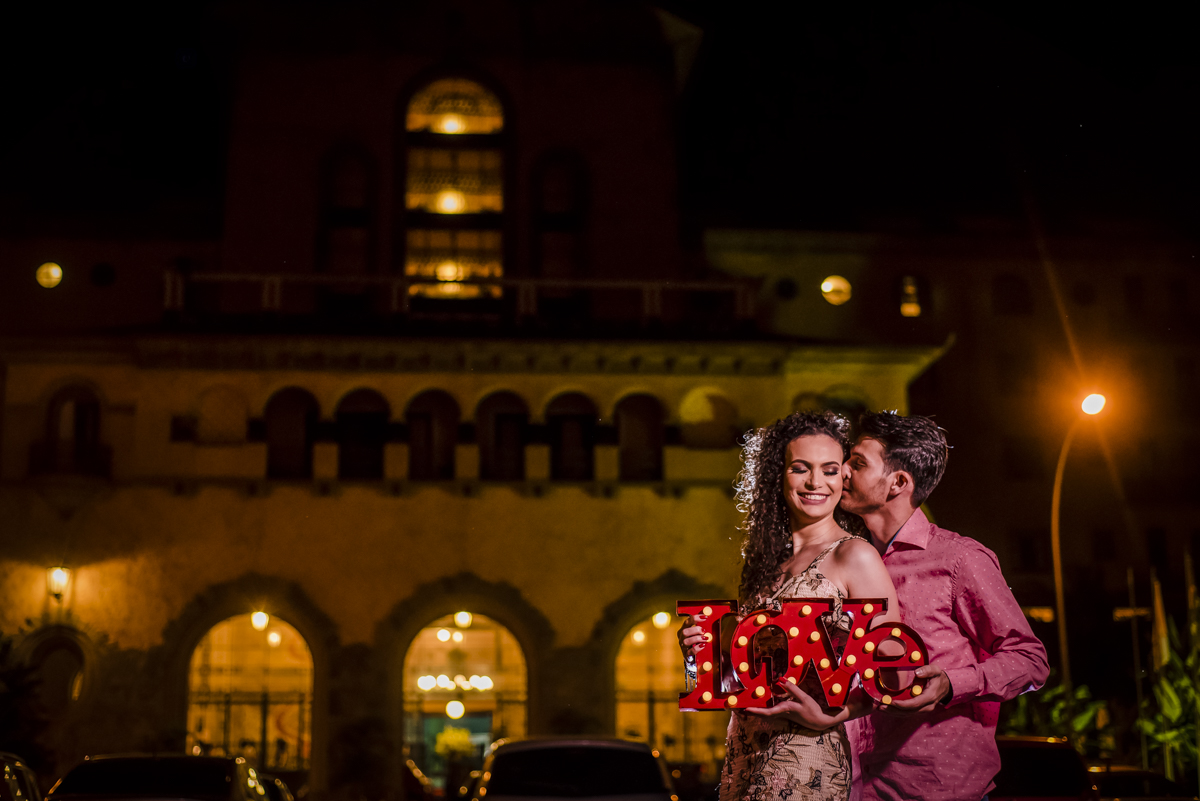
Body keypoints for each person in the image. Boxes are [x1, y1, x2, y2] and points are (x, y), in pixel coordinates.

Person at [775, 411, 1050, 801]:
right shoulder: (841, 559)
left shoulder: (958, 559)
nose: (843, 471)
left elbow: (1030, 659)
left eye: (858, 463)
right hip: (854, 786)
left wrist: (952, 684)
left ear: (898, 483)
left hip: (938, 789)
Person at [678, 411, 904, 801]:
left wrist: (835, 713)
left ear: (843, 478)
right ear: (777, 476)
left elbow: (898, 674)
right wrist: (698, 653)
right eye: (801, 469)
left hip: (807, 756)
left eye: (829, 470)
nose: (816, 482)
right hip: (743, 754)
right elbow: (741, 677)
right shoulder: (766, 565)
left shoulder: (855, 556)